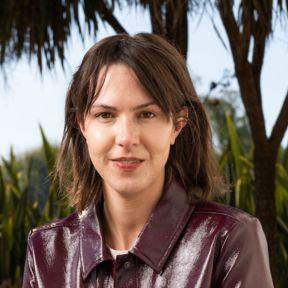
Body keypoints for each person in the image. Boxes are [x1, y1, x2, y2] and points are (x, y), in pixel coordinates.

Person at [22, 33, 274, 287]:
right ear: (82, 125)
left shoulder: (229, 239)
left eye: (147, 114)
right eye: (106, 115)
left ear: (177, 124)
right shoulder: (46, 250)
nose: (126, 138)